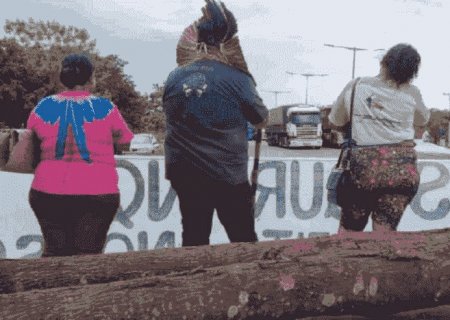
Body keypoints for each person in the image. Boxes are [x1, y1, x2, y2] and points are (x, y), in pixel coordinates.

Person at [163, 0, 268, 246]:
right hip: (227, 175)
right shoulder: (237, 78)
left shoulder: (174, 77)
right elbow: (261, 119)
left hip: (185, 174)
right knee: (243, 239)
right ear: (225, 43)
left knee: (194, 237)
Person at [27, 53, 134, 257]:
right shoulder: (105, 108)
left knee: (55, 254)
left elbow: (31, 138)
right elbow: (125, 140)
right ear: (91, 78)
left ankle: (49, 289)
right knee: (87, 258)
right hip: (97, 193)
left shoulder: (42, 107)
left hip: (47, 191)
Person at [329, 43, 430, 233]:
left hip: (363, 169)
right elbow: (423, 118)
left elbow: (335, 119)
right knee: (384, 234)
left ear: (384, 62)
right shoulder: (412, 92)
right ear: (412, 71)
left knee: (349, 233)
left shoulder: (357, 85)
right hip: (401, 170)